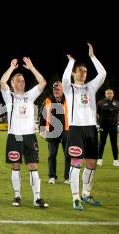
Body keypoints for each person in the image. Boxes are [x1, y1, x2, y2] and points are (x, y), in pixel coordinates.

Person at [62, 43, 107, 210]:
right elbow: (65, 79)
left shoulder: (91, 86)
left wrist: (92, 57)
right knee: (76, 163)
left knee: (91, 164)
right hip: (76, 129)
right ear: (75, 73)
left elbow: (102, 73)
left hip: (91, 129)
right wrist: (71, 63)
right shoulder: (69, 88)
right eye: (80, 70)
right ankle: (76, 198)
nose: (83, 73)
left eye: (85, 71)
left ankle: (86, 194)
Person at [0, 57, 49, 208]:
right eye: (18, 81)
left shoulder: (30, 95)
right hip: (14, 136)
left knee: (33, 166)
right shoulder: (9, 97)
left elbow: (42, 83)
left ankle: (37, 198)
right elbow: (2, 82)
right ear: (13, 84)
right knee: (15, 166)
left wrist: (32, 68)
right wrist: (11, 68)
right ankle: (17, 196)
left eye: (23, 80)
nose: (22, 83)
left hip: (29, 136)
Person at [39, 81, 70, 184]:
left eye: (58, 89)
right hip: (52, 131)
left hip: (67, 130)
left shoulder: (69, 99)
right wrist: (42, 130)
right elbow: (42, 116)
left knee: (68, 155)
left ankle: (67, 177)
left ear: (63, 90)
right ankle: (52, 176)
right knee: (52, 154)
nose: (56, 91)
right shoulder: (47, 100)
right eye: (54, 89)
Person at [96, 89, 119, 166]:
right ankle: (99, 160)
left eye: (110, 93)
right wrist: (99, 123)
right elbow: (97, 114)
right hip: (103, 127)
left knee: (114, 144)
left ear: (113, 94)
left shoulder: (117, 103)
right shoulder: (100, 103)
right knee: (101, 143)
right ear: (105, 94)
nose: (109, 94)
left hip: (114, 127)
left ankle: (116, 160)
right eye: (107, 93)